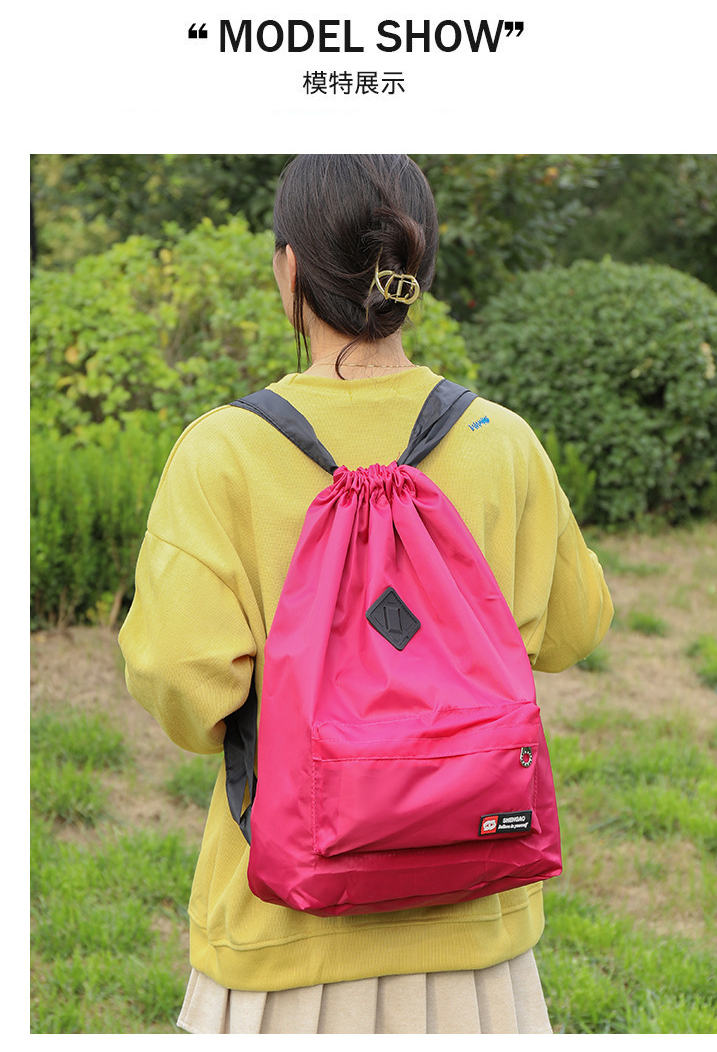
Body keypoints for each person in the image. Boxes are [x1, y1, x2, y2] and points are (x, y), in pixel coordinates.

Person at [119, 154, 613, 1034]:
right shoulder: (500, 439)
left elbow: (184, 686)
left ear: (290, 270)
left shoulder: (222, 452)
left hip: (281, 934)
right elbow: (575, 628)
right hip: (477, 936)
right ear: (416, 271)